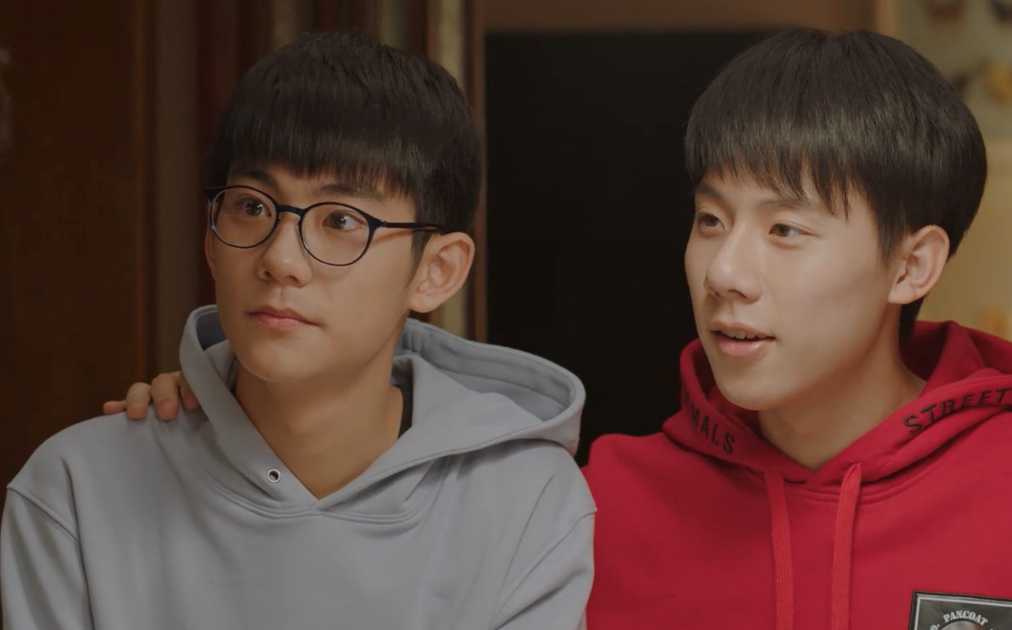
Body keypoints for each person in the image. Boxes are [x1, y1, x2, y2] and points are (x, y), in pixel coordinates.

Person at [104, 27, 1012, 629]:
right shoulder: (598, 501)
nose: (725, 273)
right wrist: (228, 410)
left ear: (912, 266)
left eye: (785, 231)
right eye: (709, 220)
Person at [1, 31, 595, 630]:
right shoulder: (78, 487)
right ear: (210, 241)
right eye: (252, 206)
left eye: (340, 220)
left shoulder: (524, 501)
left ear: (435, 272)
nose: (280, 259)